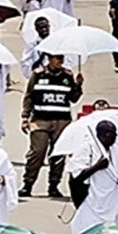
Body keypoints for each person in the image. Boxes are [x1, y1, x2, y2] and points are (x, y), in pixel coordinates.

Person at [20, 53, 83, 198]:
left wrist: (78, 85)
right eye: (57, 58)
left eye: (62, 58)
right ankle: (28, 184)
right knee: (37, 152)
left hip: (61, 120)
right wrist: (25, 117)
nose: (60, 61)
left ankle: (53, 185)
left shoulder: (67, 76)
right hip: (40, 119)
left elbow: (73, 99)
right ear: (49, 59)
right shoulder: (38, 75)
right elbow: (29, 96)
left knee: (58, 154)